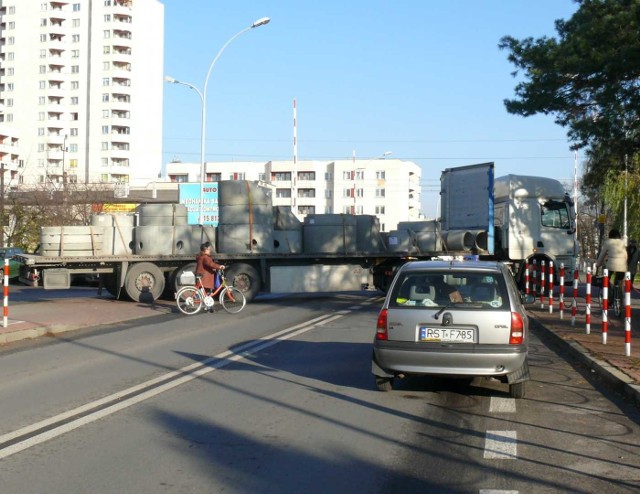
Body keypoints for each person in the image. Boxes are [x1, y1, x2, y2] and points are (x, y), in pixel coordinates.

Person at [596, 228, 627, 292]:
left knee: (607, 279)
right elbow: (625, 255)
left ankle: (610, 293)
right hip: (622, 266)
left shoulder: (608, 242)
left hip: (611, 266)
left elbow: (602, 254)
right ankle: (619, 296)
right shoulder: (622, 242)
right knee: (619, 280)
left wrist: (598, 264)